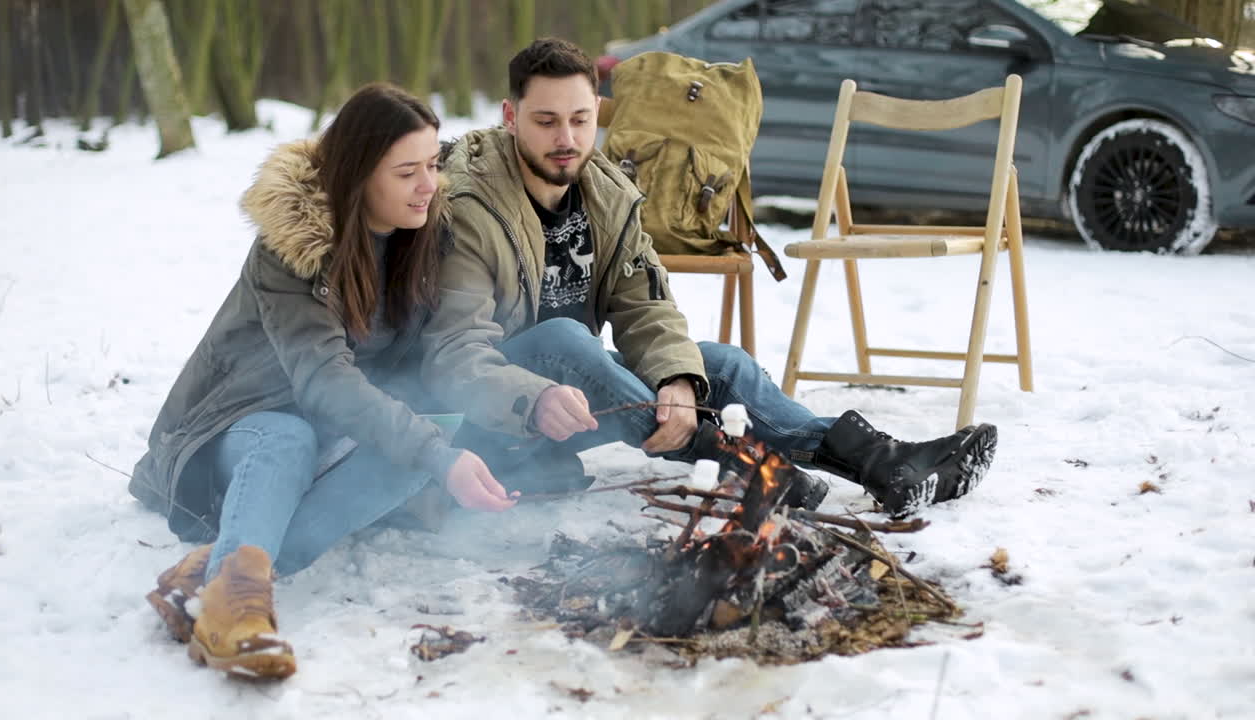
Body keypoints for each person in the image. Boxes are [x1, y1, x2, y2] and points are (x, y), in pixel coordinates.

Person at [423, 38, 997, 518]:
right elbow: (453, 356)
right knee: (564, 339)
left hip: (578, 402)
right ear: (509, 115)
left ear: (598, 111)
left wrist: (677, 381)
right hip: (494, 424)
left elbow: (645, 304)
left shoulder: (607, 194)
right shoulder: (472, 205)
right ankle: (735, 461)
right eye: (545, 121)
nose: (567, 139)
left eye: (580, 119)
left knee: (719, 366)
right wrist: (533, 394)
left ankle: (885, 463)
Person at [129, 83, 515, 680]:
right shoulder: (291, 250)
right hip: (229, 431)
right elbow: (323, 382)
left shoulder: (425, 237)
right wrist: (439, 455)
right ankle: (233, 616)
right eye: (407, 171)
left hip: (327, 433)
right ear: (360, 176)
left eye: (433, 165)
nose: (429, 185)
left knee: (419, 446)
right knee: (292, 437)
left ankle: (214, 575)